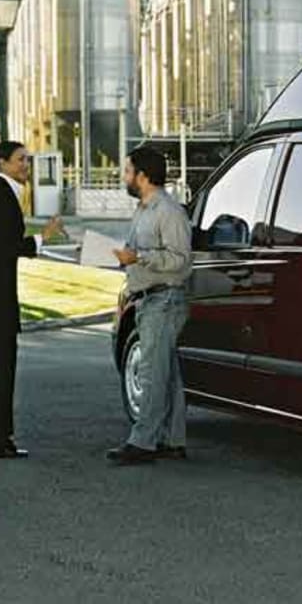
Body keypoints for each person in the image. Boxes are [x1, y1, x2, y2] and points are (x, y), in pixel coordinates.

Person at [0, 140, 64, 458]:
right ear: (2, 162)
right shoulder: (0, 197)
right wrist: (40, 239)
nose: (26, 166)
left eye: (27, 160)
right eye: (20, 160)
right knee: (4, 364)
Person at [106, 147, 192, 465]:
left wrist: (139, 257)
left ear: (143, 175)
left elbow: (180, 261)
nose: (124, 177)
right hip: (145, 297)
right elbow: (137, 250)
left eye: (128, 171)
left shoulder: (168, 211)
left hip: (165, 299)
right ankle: (172, 439)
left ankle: (143, 443)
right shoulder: (143, 209)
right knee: (166, 372)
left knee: (153, 373)